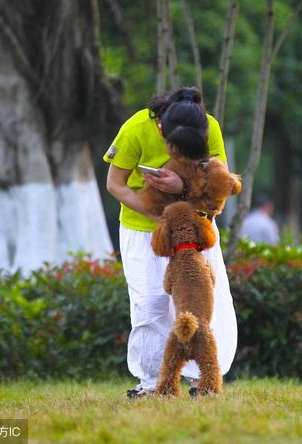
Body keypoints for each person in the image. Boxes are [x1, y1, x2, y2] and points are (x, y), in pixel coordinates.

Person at [104, 87, 237, 399]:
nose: (178, 157)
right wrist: (154, 213)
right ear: (162, 129)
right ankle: (152, 384)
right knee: (149, 303)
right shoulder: (136, 129)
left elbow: (220, 191)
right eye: (176, 150)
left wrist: (184, 185)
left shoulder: (211, 127)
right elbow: (114, 184)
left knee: (203, 303)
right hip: (143, 228)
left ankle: (203, 381)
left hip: (197, 228)